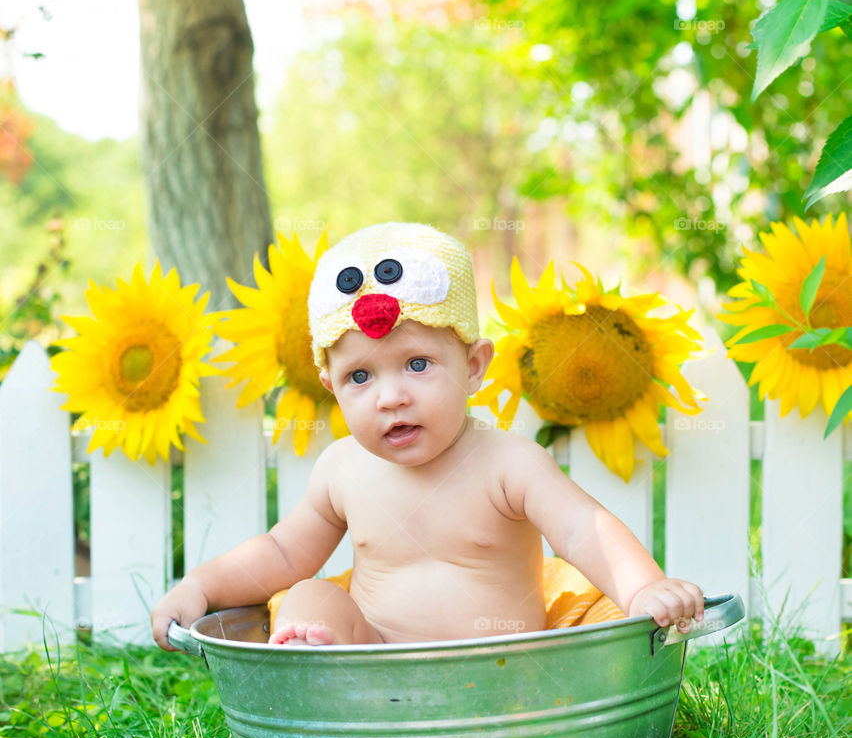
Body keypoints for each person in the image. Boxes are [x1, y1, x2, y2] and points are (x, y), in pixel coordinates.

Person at [151, 222, 704, 651]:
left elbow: (585, 528)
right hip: (373, 662)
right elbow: (279, 551)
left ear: (473, 365)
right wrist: (199, 585)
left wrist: (642, 588)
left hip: (501, 670)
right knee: (307, 594)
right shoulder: (342, 470)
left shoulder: (509, 464)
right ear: (330, 387)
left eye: (417, 364)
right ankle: (311, 657)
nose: (390, 397)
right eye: (359, 377)